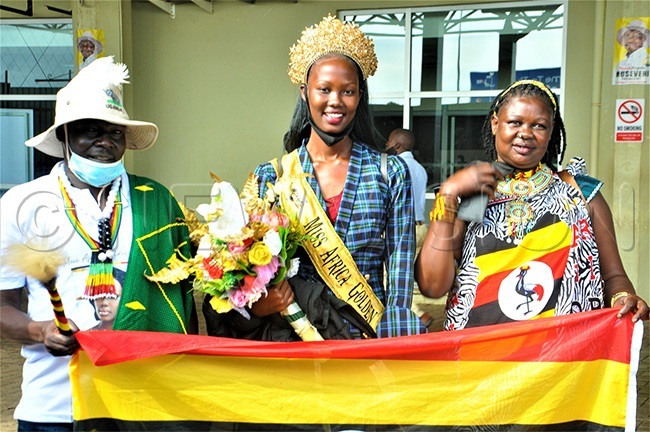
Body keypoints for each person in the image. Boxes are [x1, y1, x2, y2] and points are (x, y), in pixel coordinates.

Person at [0, 56, 197, 431]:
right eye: (90, 130)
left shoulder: (155, 200)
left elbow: (181, 302)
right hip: (54, 405)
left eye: (115, 132)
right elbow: (3, 306)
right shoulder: (22, 204)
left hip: (143, 402)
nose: (105, 142)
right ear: (64, 136)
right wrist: (40, 331)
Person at [204, 15, 426, 342]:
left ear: (359, 96)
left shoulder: (389, 172)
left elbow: (400, 270)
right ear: (305, 92)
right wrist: (261, 303)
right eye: (324, 89)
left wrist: (391, 341)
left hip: (364, 334)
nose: (335, 101)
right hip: (293, 335)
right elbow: (247, 270)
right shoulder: (273, 176)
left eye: (347, 91)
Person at [415, 79, 649, 331]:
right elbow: (433, 286)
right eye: (515, 122)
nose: (525, 133)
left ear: (551, 133)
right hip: (481, 357)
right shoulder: (472, 193)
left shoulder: (580, 192)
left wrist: (623, 298)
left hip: (562, 358)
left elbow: (613, 277)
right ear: (495, 124)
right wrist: (448, 194)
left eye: (539, 125)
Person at [386, 128, 428, 249]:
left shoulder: (393, 167)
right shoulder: (420, 168)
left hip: (401, 230)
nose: (386, 145)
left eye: (389, 141)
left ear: (397, 145)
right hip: (420, 228)